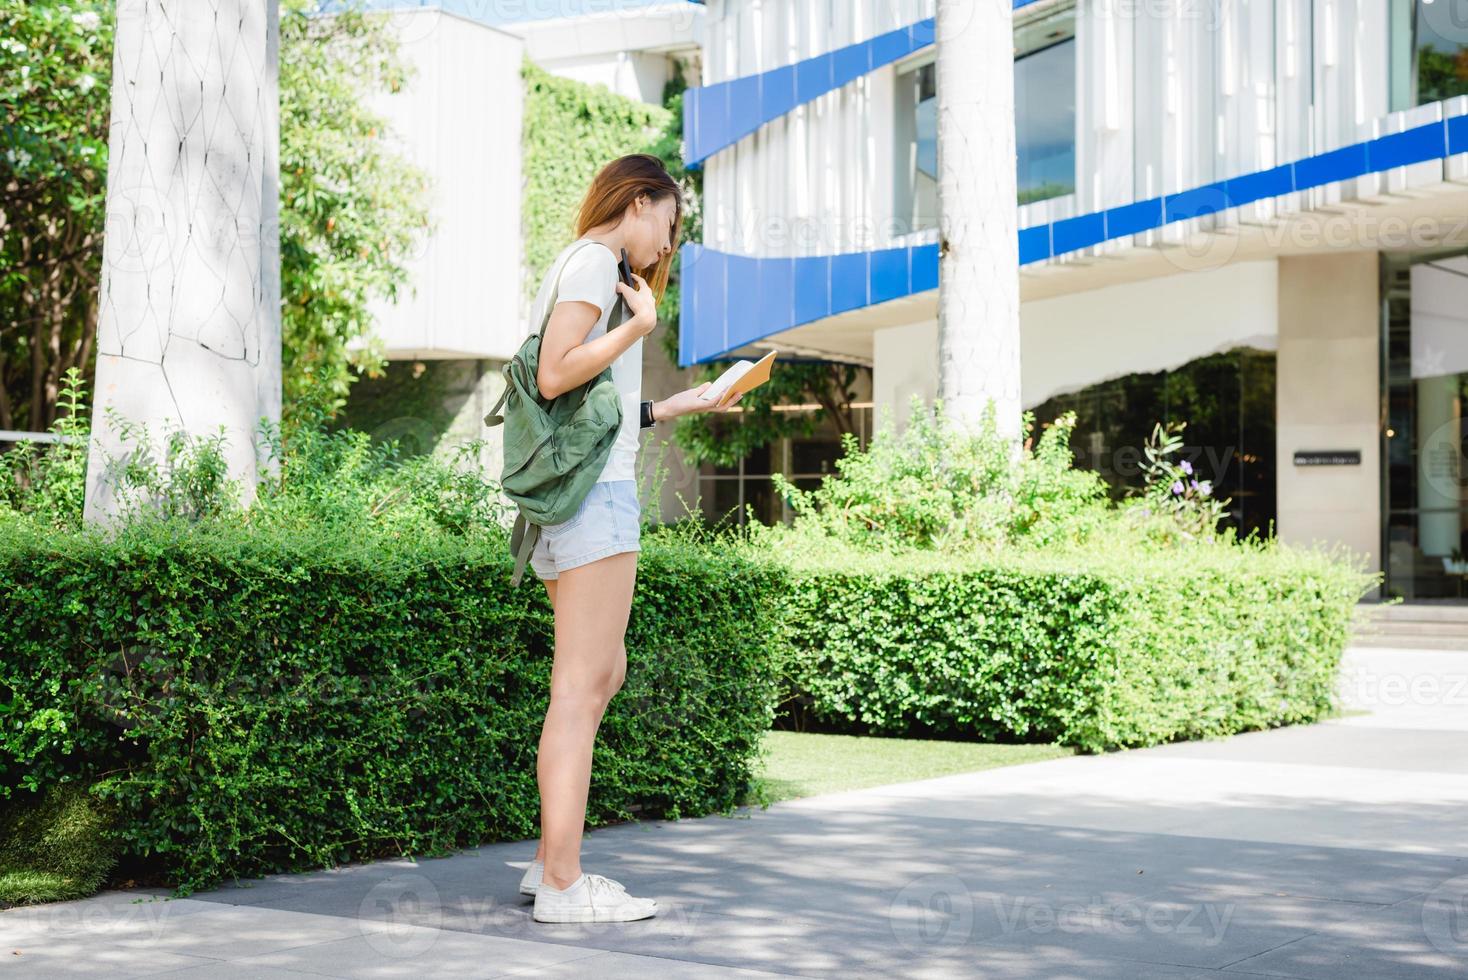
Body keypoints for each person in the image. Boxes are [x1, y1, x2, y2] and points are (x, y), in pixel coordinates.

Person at [518, 154, 744, 924]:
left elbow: (589, 404)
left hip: (582, 491)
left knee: (600, 674)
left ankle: (552, 860)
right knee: (580, 690)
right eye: (669, 224)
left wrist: (671, 407)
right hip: (594, 500)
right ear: (640, 202)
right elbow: (555, 375)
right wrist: (641, 328)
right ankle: (561, 885)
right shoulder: (593, 263)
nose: (667, 244)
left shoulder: (590, 267)